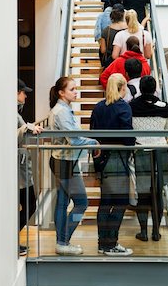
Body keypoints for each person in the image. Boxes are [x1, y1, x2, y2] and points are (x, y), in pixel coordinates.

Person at [48, 77, 99, 255]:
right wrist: (93, 142)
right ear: (61, 92)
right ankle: (63, 240)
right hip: (64, 162)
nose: (75, 92)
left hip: (64, 161)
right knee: (82, 203)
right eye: (72, 89)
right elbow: (74, 139)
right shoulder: (61, 111)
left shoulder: (64, 109)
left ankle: (62, 242)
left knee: (62, 202)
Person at [90, 73, 135, 256]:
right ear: (122, 87)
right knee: (120, 202)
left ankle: (103, 243)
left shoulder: (98, 107)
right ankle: (111, 244)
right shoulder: (123, 107)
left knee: (104, 202)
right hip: (117, 159)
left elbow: (93, 132)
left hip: (101, 159)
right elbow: (128, 138)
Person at [130, 76, 168, 242]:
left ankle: (143, 231)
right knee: (158, 193)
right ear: (155, 89)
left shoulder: (132, 106)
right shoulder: (165, 107)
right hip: (161, 153)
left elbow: (129, 129)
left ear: (140, 88)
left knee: (142, 194)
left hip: (141, 152)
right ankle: (156, 231)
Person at [17, 79, 44, 256]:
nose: (25, 95)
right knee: (29, 205)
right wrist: (27, 128)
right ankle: (10, 239)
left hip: (20, 169)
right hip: (18, 170)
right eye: (23, 92)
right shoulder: (11, 113)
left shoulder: (15, 112)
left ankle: (11, 239)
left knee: (28, 204)